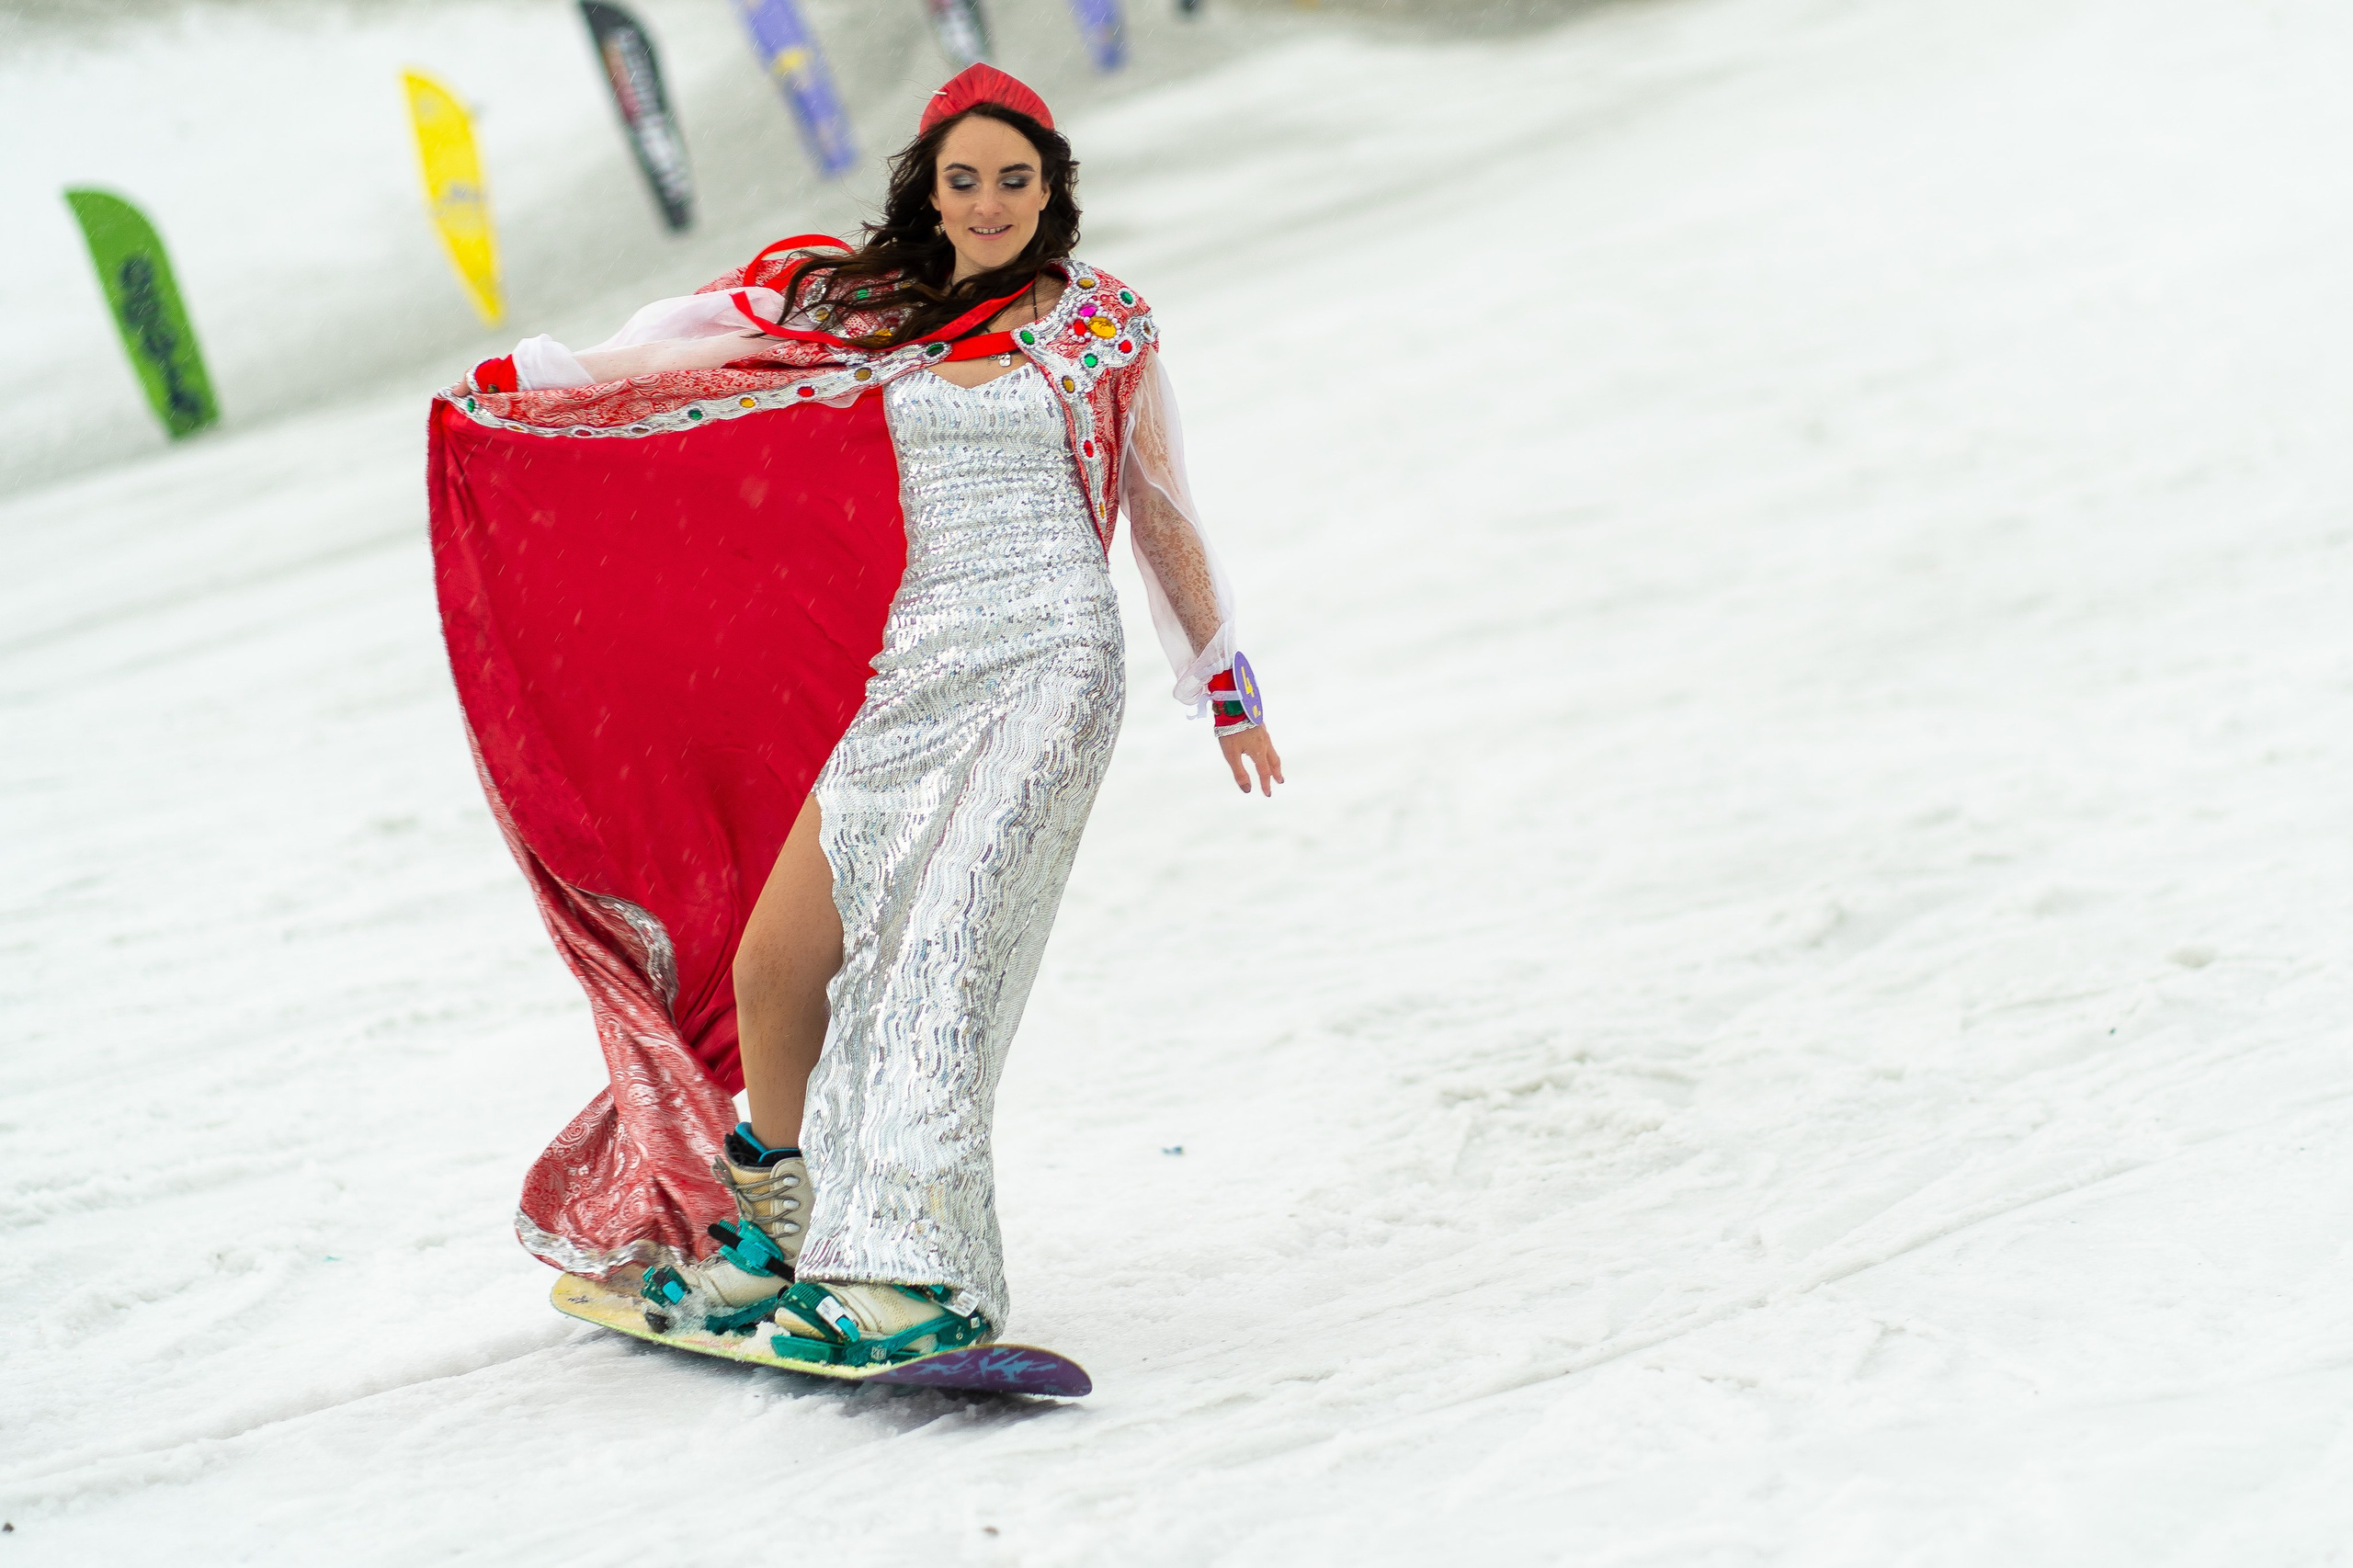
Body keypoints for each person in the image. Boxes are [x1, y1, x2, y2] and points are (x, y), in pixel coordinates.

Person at [428, 64, 1280, 1367]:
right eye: (964, 178)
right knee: (781, 963)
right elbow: (704, 347)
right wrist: (544, 379)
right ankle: (784, 1230)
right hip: (913, 668)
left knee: (937, 964)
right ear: (927, 188)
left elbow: (1160, 503)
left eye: (1016, 177)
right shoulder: (876, 309)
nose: (991, 201)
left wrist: (1221, 683)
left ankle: (916, 1274)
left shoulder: (1103, 323)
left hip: (1051, 661)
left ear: (1051, 185)